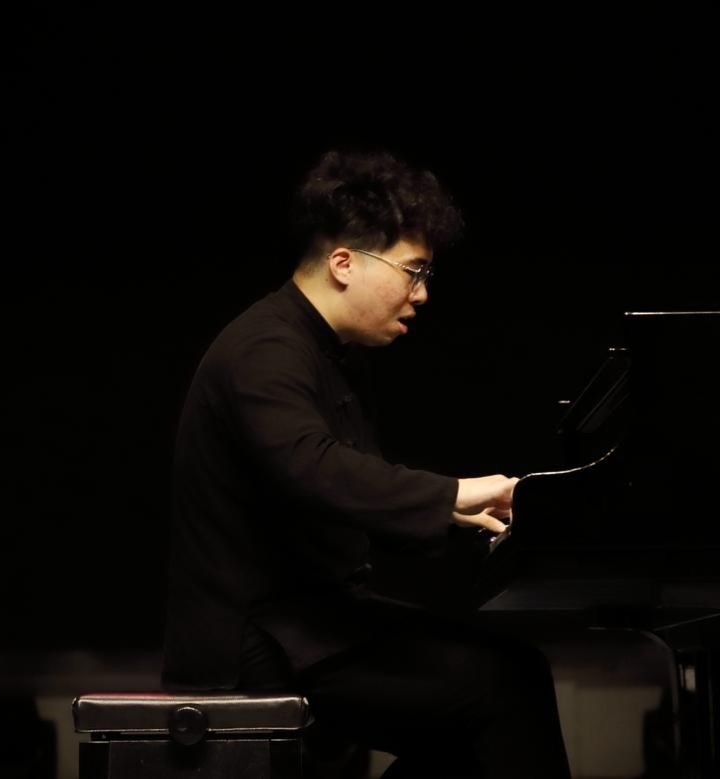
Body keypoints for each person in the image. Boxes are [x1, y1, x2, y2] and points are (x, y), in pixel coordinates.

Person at [162, 148, 571, 778]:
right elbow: (311, 467)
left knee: (498, 687)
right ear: (344, 263)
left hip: (308, 622)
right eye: (413, 271)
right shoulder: (264, 347)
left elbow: (349, 495)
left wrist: (461, 522)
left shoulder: (333, 352)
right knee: (504, 685)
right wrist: (451, 494)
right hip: (254, 639)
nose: (422, 294)